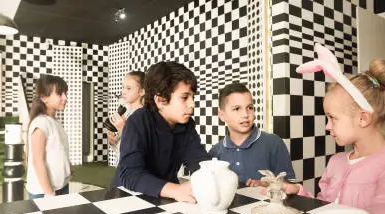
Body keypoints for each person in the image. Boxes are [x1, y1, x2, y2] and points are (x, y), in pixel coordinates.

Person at [286, 44, 385, 214]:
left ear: (363, 118)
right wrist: (299, 193)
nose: (327, 126)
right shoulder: (336, 162)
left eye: (332, 118)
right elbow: (326, 208)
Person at [111, 61, 209, 202]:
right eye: (185, 97)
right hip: (126, 198)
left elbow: (200, 163)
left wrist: (208, 178)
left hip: (162, 197)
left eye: (192, 97)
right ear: (160, 101)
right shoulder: (138, 121)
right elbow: (131, 174)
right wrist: (176, 189)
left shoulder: (187, 126)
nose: (192, 104)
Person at [209, 82, 295, 186]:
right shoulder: (215, 152)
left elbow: (291, 187)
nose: (245, 114)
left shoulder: (273, 143)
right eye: (237, 109)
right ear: (222, 115)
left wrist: (268, 184)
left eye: (249, 107)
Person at [26, 74, 71, 199]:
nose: (65, 98)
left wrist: (67, 167)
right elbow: (37, 161)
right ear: (44, 97)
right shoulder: (41, 123)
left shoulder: (53, 122)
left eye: (66, 93)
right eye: (60, 94)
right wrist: (49, 194)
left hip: (60, 186)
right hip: (44, 192)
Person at [106, 71, 146, 149]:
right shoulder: (126, 113)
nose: (123, 92)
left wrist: (122, 128)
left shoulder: (143, 116)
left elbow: (139, 146)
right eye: (123, 87)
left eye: (128, 88)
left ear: (141, 91)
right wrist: (113, 141)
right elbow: (120, 147)